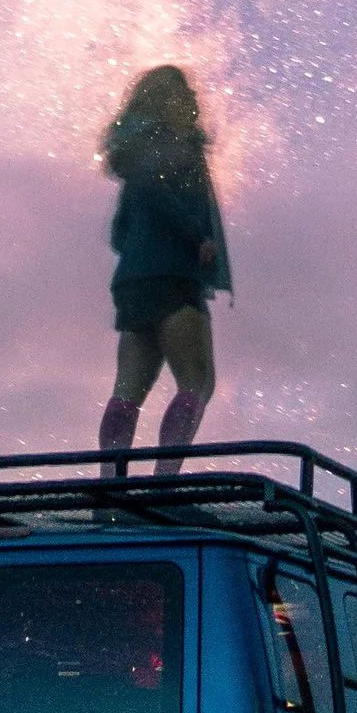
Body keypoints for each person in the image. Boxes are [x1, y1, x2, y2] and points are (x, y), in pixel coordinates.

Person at [96, 63, 230, 475]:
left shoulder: (134, 153)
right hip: (174, 277)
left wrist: (142, 250)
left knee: (128, 390)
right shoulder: (176, 146)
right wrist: (196, 239)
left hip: (134, 283)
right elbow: (161, 196)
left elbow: (119, 232)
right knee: (197, 382)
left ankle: (109, 486)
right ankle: (163, 484)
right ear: (172, 100)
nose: (192, 101)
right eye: (185, 94)